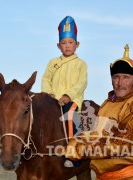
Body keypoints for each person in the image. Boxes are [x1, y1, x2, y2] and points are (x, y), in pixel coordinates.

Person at [64, 44, 133, 179]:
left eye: (126, 77)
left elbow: (122, 144)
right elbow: (98, 135)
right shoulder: (108, 103)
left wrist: (81, 149)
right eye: (116, 77)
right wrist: (76, 140)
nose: (120, 82)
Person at [41, 16, 87, 167]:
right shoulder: (53, 63)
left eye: (71, 42)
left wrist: (68, 95)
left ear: (77, 44)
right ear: (58, 45)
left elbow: (82, 83)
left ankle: (73, 154)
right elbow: (46, 79)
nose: (67, 46)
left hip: (72, 100)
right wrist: (49, 94)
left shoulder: (81, 64)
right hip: (53, 100)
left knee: (69, 118)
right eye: (64, 43)